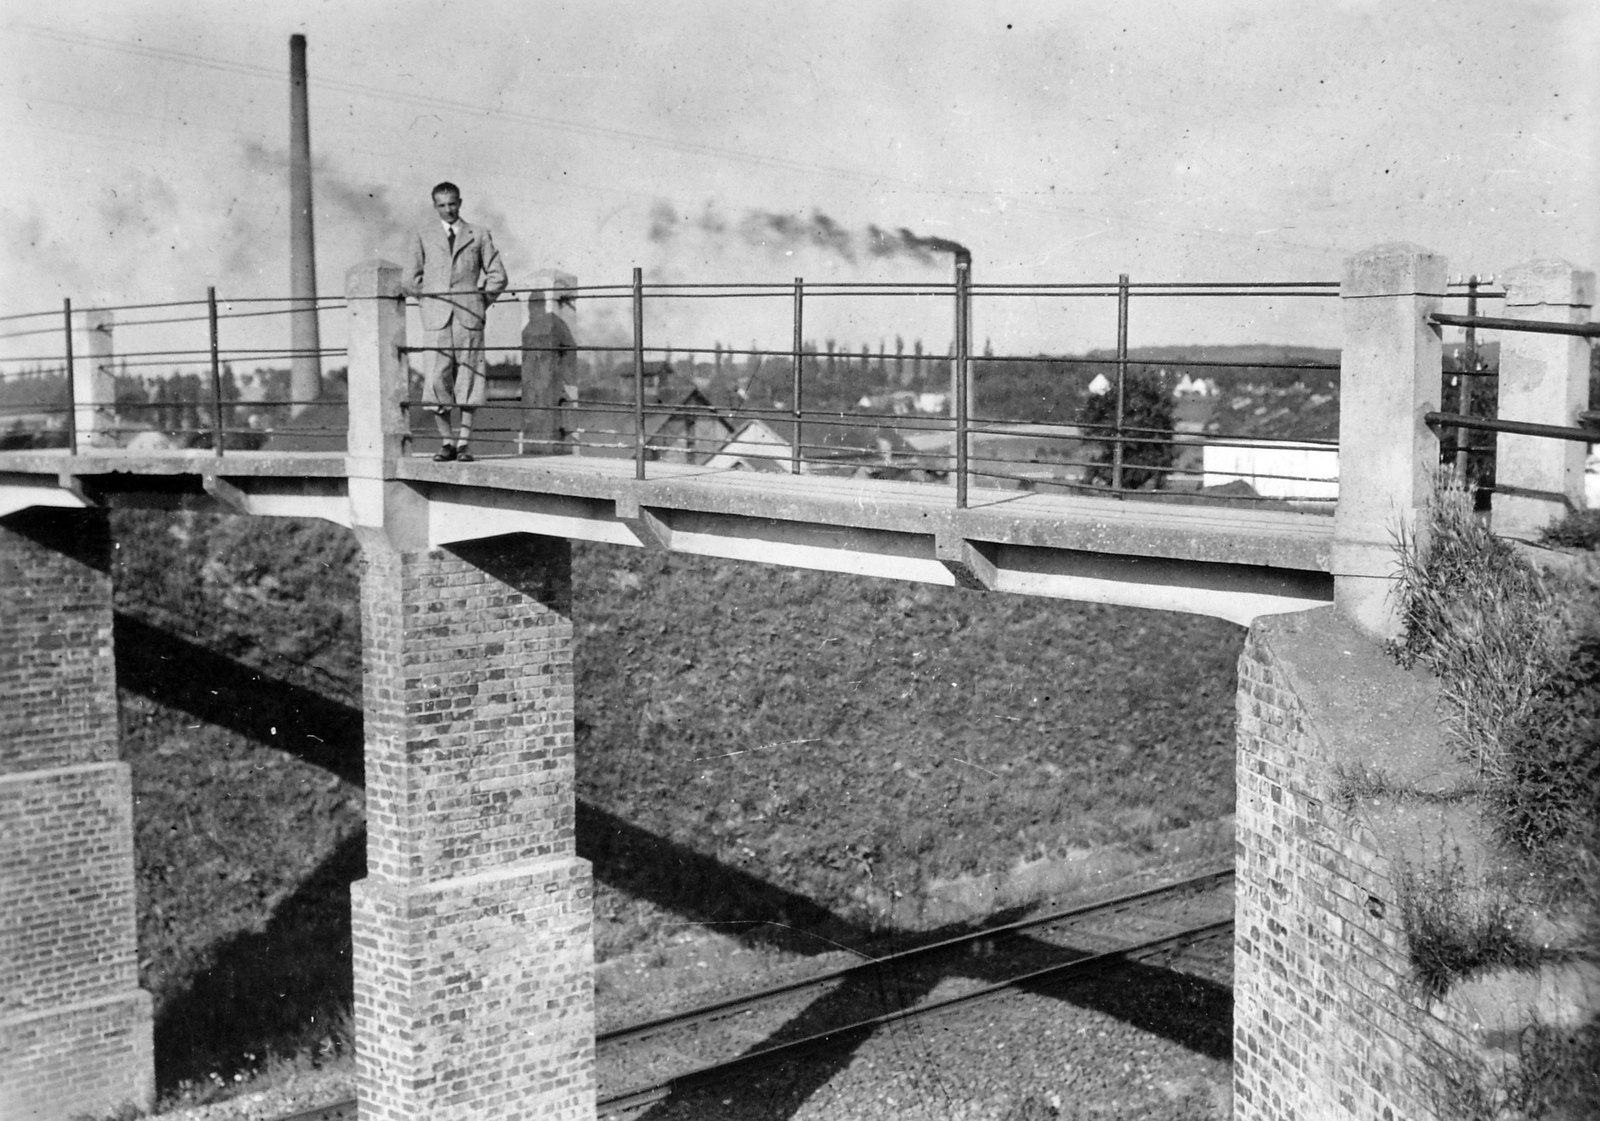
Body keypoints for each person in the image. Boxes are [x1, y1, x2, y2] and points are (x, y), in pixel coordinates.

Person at [404, 181, 508, 462]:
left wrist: (479, 301)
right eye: (442, 205)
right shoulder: (423, 235)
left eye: (452, 204)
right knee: (437, 378)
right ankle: (446, 442)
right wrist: (430, 302)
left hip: (469, 318)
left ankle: (463, 444)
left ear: (460, 202)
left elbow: (498, 275)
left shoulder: (479, 234)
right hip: (436, 320)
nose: (448, 210)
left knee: (470, 377)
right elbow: (409, 279)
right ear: (434, 206)